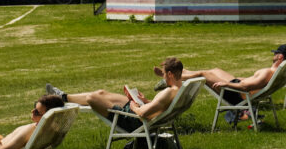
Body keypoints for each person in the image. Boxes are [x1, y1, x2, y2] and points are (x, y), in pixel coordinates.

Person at [45, 56, 184, 130]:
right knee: (101, 92)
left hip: (135, 121)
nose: (163, 77)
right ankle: (63, 96)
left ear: (170, 74)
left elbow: (143, 114)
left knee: (92, 98)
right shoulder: (178, 89)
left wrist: (136, 106)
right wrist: (146, 101)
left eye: (164, 74)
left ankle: (60, 99)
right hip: (141, 114)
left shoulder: (168, 92)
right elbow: (158, 107)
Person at [154, 44, 286, 113]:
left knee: (203, 74)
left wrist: (225, 83)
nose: (274, 55)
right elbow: (250, 83)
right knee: (214, 70)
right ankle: (177, 73)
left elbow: (246, 87)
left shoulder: (267, 73)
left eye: (275, 53)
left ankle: (170, 77)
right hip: (238, 87)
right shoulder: (274, 72)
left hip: (238, 94)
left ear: (280, 57)